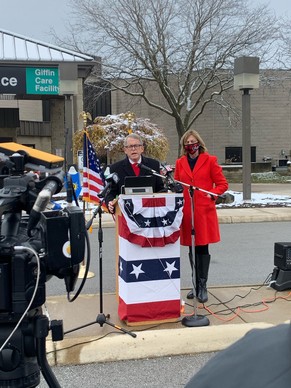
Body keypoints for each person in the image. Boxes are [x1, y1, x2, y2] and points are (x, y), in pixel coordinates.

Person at [174, 129, 228, 303]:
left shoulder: (210, 160)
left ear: (199, 142)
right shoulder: (180, 162)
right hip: (187, 212)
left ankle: (203, 285)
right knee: (191, 247)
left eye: (193, 141)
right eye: (187, 143)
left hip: (203, 211)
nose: (191, 145)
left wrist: (212, 194)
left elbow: (222, 184)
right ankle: (195, 283)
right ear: (184, 146)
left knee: (202, 247)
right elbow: (177, 184)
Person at [105, 133, 165, 213]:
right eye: (130, 146)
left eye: (136, 146)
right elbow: (111, 192)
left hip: (150, 212)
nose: (133, 149)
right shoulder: (116, 168)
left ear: (142, 148)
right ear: (125, 150)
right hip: (127, 212)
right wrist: (110, 202)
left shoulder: (153, 164)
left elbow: (160, 189)